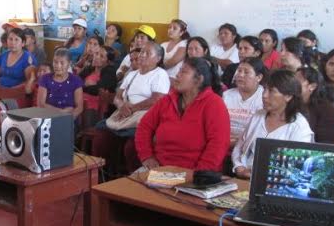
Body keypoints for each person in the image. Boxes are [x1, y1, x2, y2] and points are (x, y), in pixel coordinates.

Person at [132, 57, 230, 172]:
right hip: (160, 168)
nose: (177, 75)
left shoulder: (214, 103)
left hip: (195, 172)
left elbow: (218, 144)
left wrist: (199, 173)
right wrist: (147, 156)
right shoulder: (167, 100)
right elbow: (144, 126)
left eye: (183, 72)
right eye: (179, 71)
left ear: (198, 80)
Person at [90, 42, 170, 177]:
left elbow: (157, 99)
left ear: (158, 59)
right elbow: (118, 96)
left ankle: (133, 179)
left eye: (147, 53)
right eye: (142, 52)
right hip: (125, 114)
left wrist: (132, 108)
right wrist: (122, 106)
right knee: (101, 138)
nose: (142, 55)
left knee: (131, 147)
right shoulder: (132, 74)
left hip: (145, 118)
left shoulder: (160, 74)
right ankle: (102, 176)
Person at [231, 70, 313, 179]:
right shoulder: (258, 116)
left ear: (288, 96)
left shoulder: (299, 127)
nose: (264, 95)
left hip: (277, 184)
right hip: (245, 178)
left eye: (271, 91)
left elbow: (296, 166)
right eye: (264, 89)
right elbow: (239, 147)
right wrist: (239, 167)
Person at [223, 57, 266, 145]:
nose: (240, 75)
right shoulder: (227, 95)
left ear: (259, 77)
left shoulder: (264, 97)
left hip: (250, 145)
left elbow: (261, 130)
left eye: (246, 72)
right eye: (239, 71)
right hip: (224, 142)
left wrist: (239, 141)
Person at [295, 66, 334, 143]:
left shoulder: (327, 110)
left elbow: (325, 143)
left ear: (312, 86)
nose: (292, 83)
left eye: (297, 80)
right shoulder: (288, 103)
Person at [37, 48, 84, 118]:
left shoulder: (76, 80)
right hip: (47, 118)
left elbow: (79, 108)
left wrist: (68, 119)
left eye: (62, 63)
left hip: (69, 119)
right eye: (55, 62)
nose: (58, 66)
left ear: (69, 63)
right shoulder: (45, 78)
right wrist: (62, 112)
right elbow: (41, 104)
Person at [0, 27, 37, 94]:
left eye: (16, 40)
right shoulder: (3, 56)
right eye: (10, 39)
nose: (13, 42)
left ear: (23, 43)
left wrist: (10, 91)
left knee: (0, 104)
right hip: (0, 91)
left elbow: (30, 82)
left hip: (17, 94)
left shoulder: (28, 59)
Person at [80, 46, 118, 126]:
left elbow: (97, 90)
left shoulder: (110, 72)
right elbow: (76, 82)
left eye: (102, 56)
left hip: (96, 107)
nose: (97, 57)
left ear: (108, 61)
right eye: (96, 54)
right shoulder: (89, 69)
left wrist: (83, 86)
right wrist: (86, 84)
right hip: (80, 101)